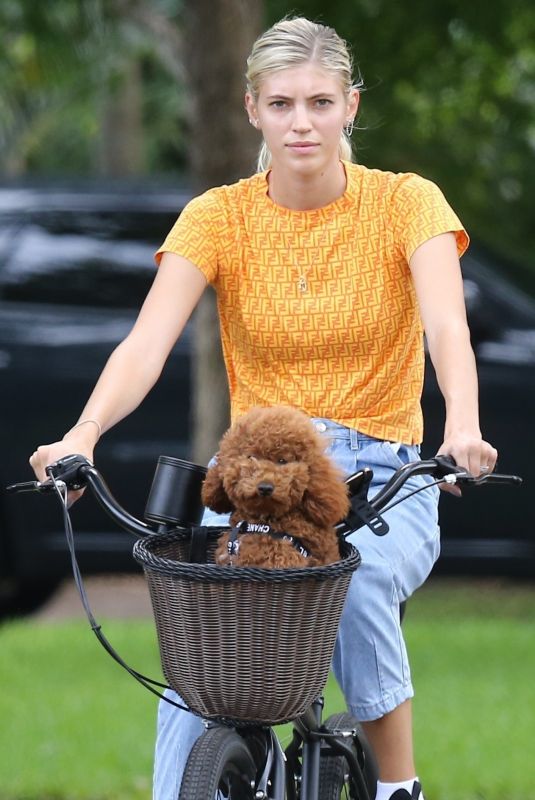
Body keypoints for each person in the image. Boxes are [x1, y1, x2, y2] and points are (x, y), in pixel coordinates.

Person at [29, 16, 497, 800]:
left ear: (350, 105)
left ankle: (397, 787)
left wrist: (463, 429)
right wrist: (82, 434)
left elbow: (448, 329)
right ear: (252, 110)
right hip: (254, 477)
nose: (301, 122)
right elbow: (144, 344)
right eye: (281, 104)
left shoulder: (405, 204)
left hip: (382, 473)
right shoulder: (219, 217)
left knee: (352, 580)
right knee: (199, 621)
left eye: (319, 101)